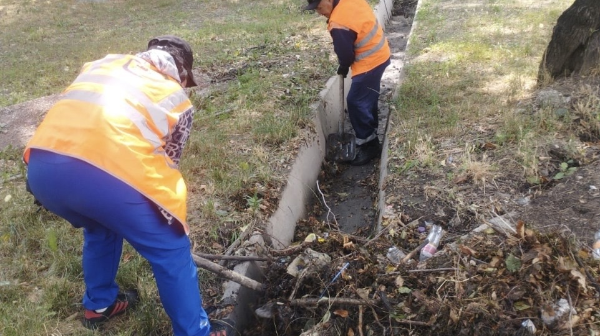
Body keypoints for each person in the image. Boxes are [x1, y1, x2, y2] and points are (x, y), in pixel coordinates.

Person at [23, 36, 232, 336]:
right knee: (171, 250)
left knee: (100, 225)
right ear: (182, 73)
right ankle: (195, 332)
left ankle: (99, 304)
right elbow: (168, 162)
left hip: (43, 170)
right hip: (105, 178)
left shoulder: (102, 64)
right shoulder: (176, 98)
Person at [304, 0, 391, 166]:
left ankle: (368, 145)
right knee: (367, 95)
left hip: (369, 62)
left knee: (356, 101)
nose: (319, 12)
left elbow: (345, 55)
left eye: (320, 7)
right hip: (381, 53)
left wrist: (343, 65)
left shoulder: (338, 23)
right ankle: (371, 130)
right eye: (315, 9)